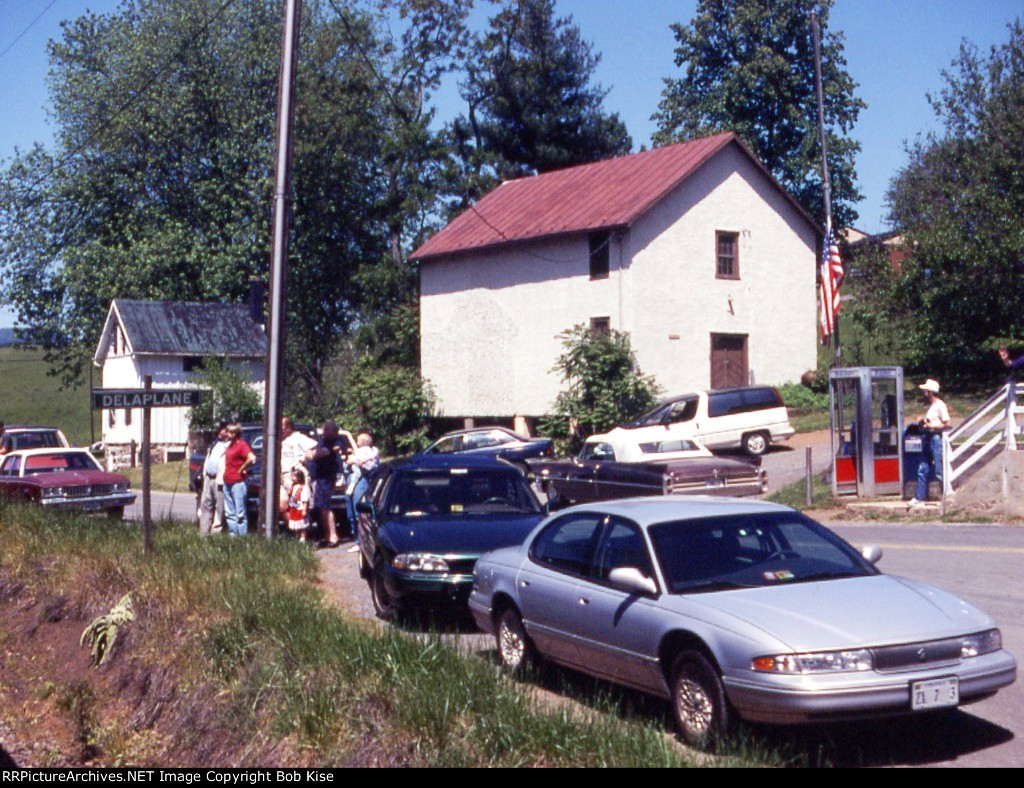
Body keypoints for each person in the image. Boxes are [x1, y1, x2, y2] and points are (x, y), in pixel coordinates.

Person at [910, 379, 950, 507]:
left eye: (926, 390)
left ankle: (945, 496)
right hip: (927, 437)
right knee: (923, 467)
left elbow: (946, 423)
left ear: (931, 392)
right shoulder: (931, 407)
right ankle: (919, 497)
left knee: (939, 468)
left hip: (935, 438)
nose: (923, 392)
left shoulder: (940, 405)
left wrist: (930, 425)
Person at [305, 420, 345, 548]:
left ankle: (333, 536)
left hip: (327, 478)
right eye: (324, 429)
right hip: (319, 478)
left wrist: (314, 454)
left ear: (334, 431)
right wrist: (312, 454)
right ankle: (326, 536)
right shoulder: (321, 441)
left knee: (325, 507)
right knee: (320, 507)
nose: (324, 431)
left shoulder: (336, 441)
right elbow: (309, 454)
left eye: (327, 429)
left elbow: (322, 453)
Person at [345, 430, 380, 548]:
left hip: (364, 479)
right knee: (350, 508)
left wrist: (355, 460)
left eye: (358, 440)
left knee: (358, 507)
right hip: (353, 478)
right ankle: (356, 539)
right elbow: (348, 462)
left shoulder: (372, 452)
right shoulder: (358, 451)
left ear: (364, 442)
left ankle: (362, 541)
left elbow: (370, 466)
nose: (356, 441)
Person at [279, 416, 316, 521]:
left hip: (297, 476)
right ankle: (293, 528)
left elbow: (314, 448)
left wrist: (305, 458)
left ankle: (302, 533)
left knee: (300, 505)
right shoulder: (277, 440)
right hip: (283, 477)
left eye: (281, 426)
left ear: (288, 427)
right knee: (282, 506)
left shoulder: (298, 437)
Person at [222, 423, 256, 537]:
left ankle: (242, 537)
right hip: (227, 481)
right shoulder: (229, 445)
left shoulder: (241, 445)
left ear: (235, 433)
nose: (227, 434)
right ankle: (233, 536)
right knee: (229, 512)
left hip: (238, 482)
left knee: (240, 513)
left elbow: (251, 458)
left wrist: (242, 468)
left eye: (229, 432)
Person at [199, 421, 229, 537]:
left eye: (225, 430)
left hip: (219, 479)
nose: (222, 432)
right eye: (222, 429)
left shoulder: (230, 445)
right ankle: (204, 533)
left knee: (219, 508)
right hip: (208, 477)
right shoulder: (215, 444)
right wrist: (204, 474)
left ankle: (216, 534)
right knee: (205, 505)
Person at [285, 465, 312, 542]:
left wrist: (304, 509)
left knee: (302, 524)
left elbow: (305, 500)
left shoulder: (303, 488)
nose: (292, 478)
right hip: (294, 508)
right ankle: (297, 536)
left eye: (294, 476)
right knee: (295, 524)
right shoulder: (293, 486)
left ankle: (303, 537)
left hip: (300, 508)